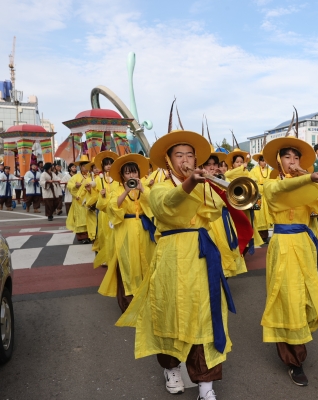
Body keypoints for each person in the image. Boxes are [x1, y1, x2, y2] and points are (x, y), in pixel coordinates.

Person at [116, 130, 234, 399]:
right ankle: (171, 369)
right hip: (171, 256)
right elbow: (166, 205)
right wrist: (190, 183)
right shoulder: (158, 187)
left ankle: (206, 386)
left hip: (203, 254)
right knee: (168, 314)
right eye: (179, 155)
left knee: (207, 313)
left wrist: (207, 182)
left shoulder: (204, 183)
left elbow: (216, 209)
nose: (186, 160)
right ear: (168, 160)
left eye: (190, 155)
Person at [260, 131, 318, 386]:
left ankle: (298, 340)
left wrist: (312, 181)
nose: (291, 161)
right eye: (286, 157)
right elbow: (278, 191)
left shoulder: (308, 182)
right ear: (278, 162)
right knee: (285, 296)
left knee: (304, 295)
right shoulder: (270, 183)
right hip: (282, 243)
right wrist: (307, 177)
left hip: (304, 243)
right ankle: (293, 359)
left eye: (296, 157)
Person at [98, 153, 155, 313]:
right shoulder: (117, 189)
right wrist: (126, 191)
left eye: (134, 172)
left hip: (144, 230)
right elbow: (111, 207)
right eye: (128, 173)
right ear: (122, 175)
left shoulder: (144, 186)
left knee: (146, 263)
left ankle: (147, 300)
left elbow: (154, 204)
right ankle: (129, 304)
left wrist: (142, 189)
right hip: (126, 230)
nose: (132, 175)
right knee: (128, 264)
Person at [202, 151, 247, 278]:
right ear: (202, 166)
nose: (212, 167)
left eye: (214, 164)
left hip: (224, 219)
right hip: (210, 223)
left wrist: (221, 178)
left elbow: (234, 196)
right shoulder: (199, 181)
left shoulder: (221, 178)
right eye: (208, 165)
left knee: (227, 252)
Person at [91, 151, 119, 269]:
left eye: (111, 163)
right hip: (104, 212)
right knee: (104, 234)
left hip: (115, 209)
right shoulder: (98, 180)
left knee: (115, 233)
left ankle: (116, 257)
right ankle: (106, 258)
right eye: (106, 164)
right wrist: (100, 195)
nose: (108, 166)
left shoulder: (118, 177)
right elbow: (94, 196)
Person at [66, 156, 91, 244]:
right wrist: (75, 186)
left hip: (89, 200)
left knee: (90, 218)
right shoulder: (75, 177)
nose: (85, 168)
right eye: (84, 166)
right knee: (81, 218)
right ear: (80, 167)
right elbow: (69, 186)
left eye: (87, 166)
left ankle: (91, 235)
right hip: (79, 201)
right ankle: (82, 237)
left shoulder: (91, 176)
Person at [249, 154, 272, 243]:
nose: (264, 162)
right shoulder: (253, 171)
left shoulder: (269, 170)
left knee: (266, 215)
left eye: (265, 161)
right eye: (262, 160)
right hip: (258, 195)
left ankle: (265, 236)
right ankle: (258, 236)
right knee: (258, 214)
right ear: (258, 161)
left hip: (266, 195)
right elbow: (252, 182)